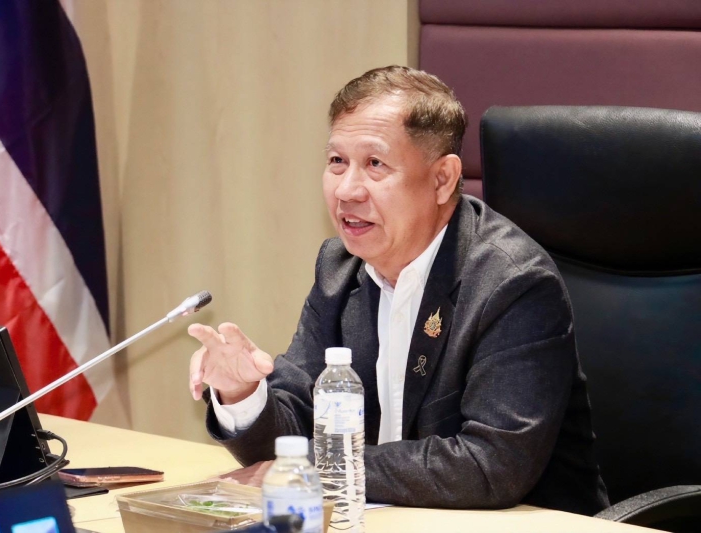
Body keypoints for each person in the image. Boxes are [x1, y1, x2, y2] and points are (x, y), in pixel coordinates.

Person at [187, 66, 609, 515]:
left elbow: (490, 466)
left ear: (442, 179)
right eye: (337, 161)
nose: (347, 190)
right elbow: (290, 438)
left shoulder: (512, 283)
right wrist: (242, 394)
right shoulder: (340, 268)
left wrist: (319, 468)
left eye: (375, 164)